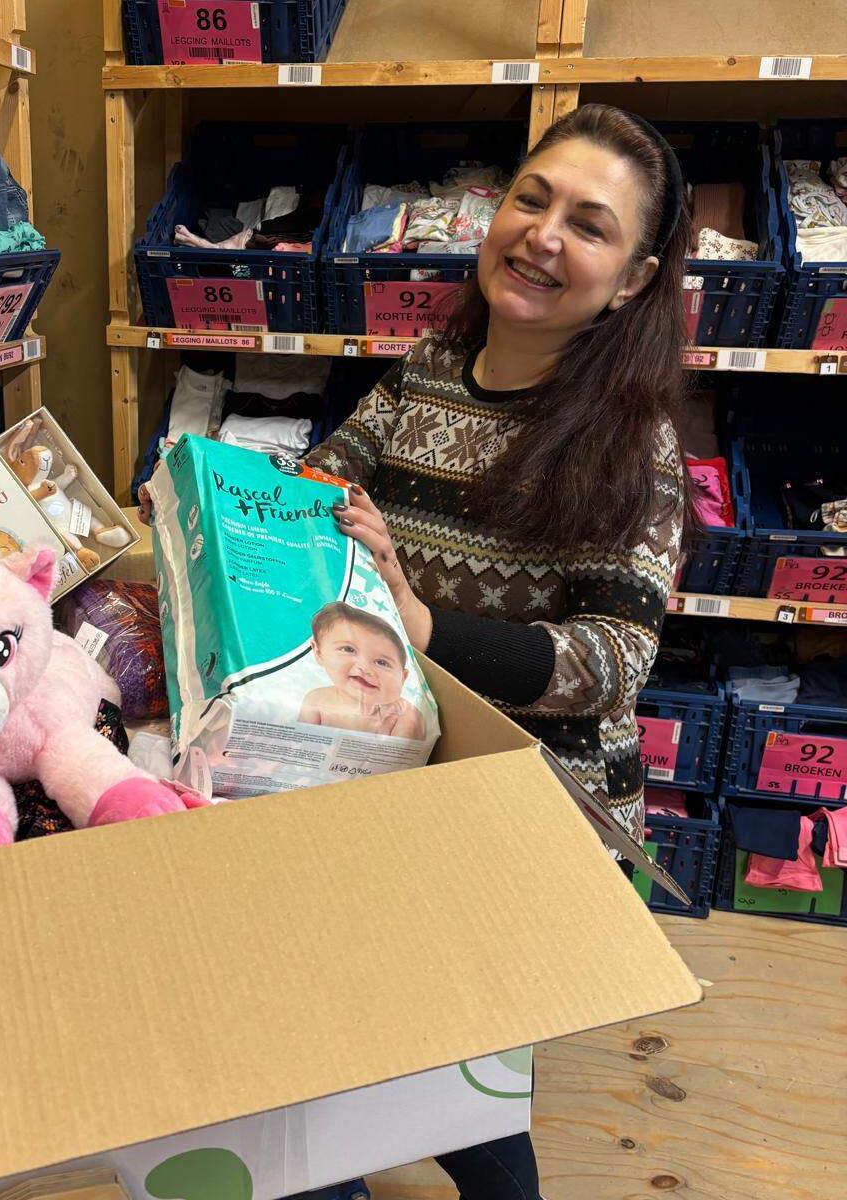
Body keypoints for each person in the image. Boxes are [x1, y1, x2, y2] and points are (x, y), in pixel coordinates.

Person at [139, 102, 691, 1200]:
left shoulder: (634, 441)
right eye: (531, 200)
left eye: (590, 226)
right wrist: (218, 514)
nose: (542, 235)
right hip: (400, 741)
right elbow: (324, 482)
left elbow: (612, 662)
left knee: (381, 1031)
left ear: (630, 279)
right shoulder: (432, 365)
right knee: (403, 1045)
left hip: (537, 797)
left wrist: (423, 624)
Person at [298, 601, 426, 738]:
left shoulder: (405, 716)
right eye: (348, 649)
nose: (364, 668)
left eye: (382, 662)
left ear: (403, 678)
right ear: (318, 652)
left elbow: (408, 756)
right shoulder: (317, 701)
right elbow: (298, 744)